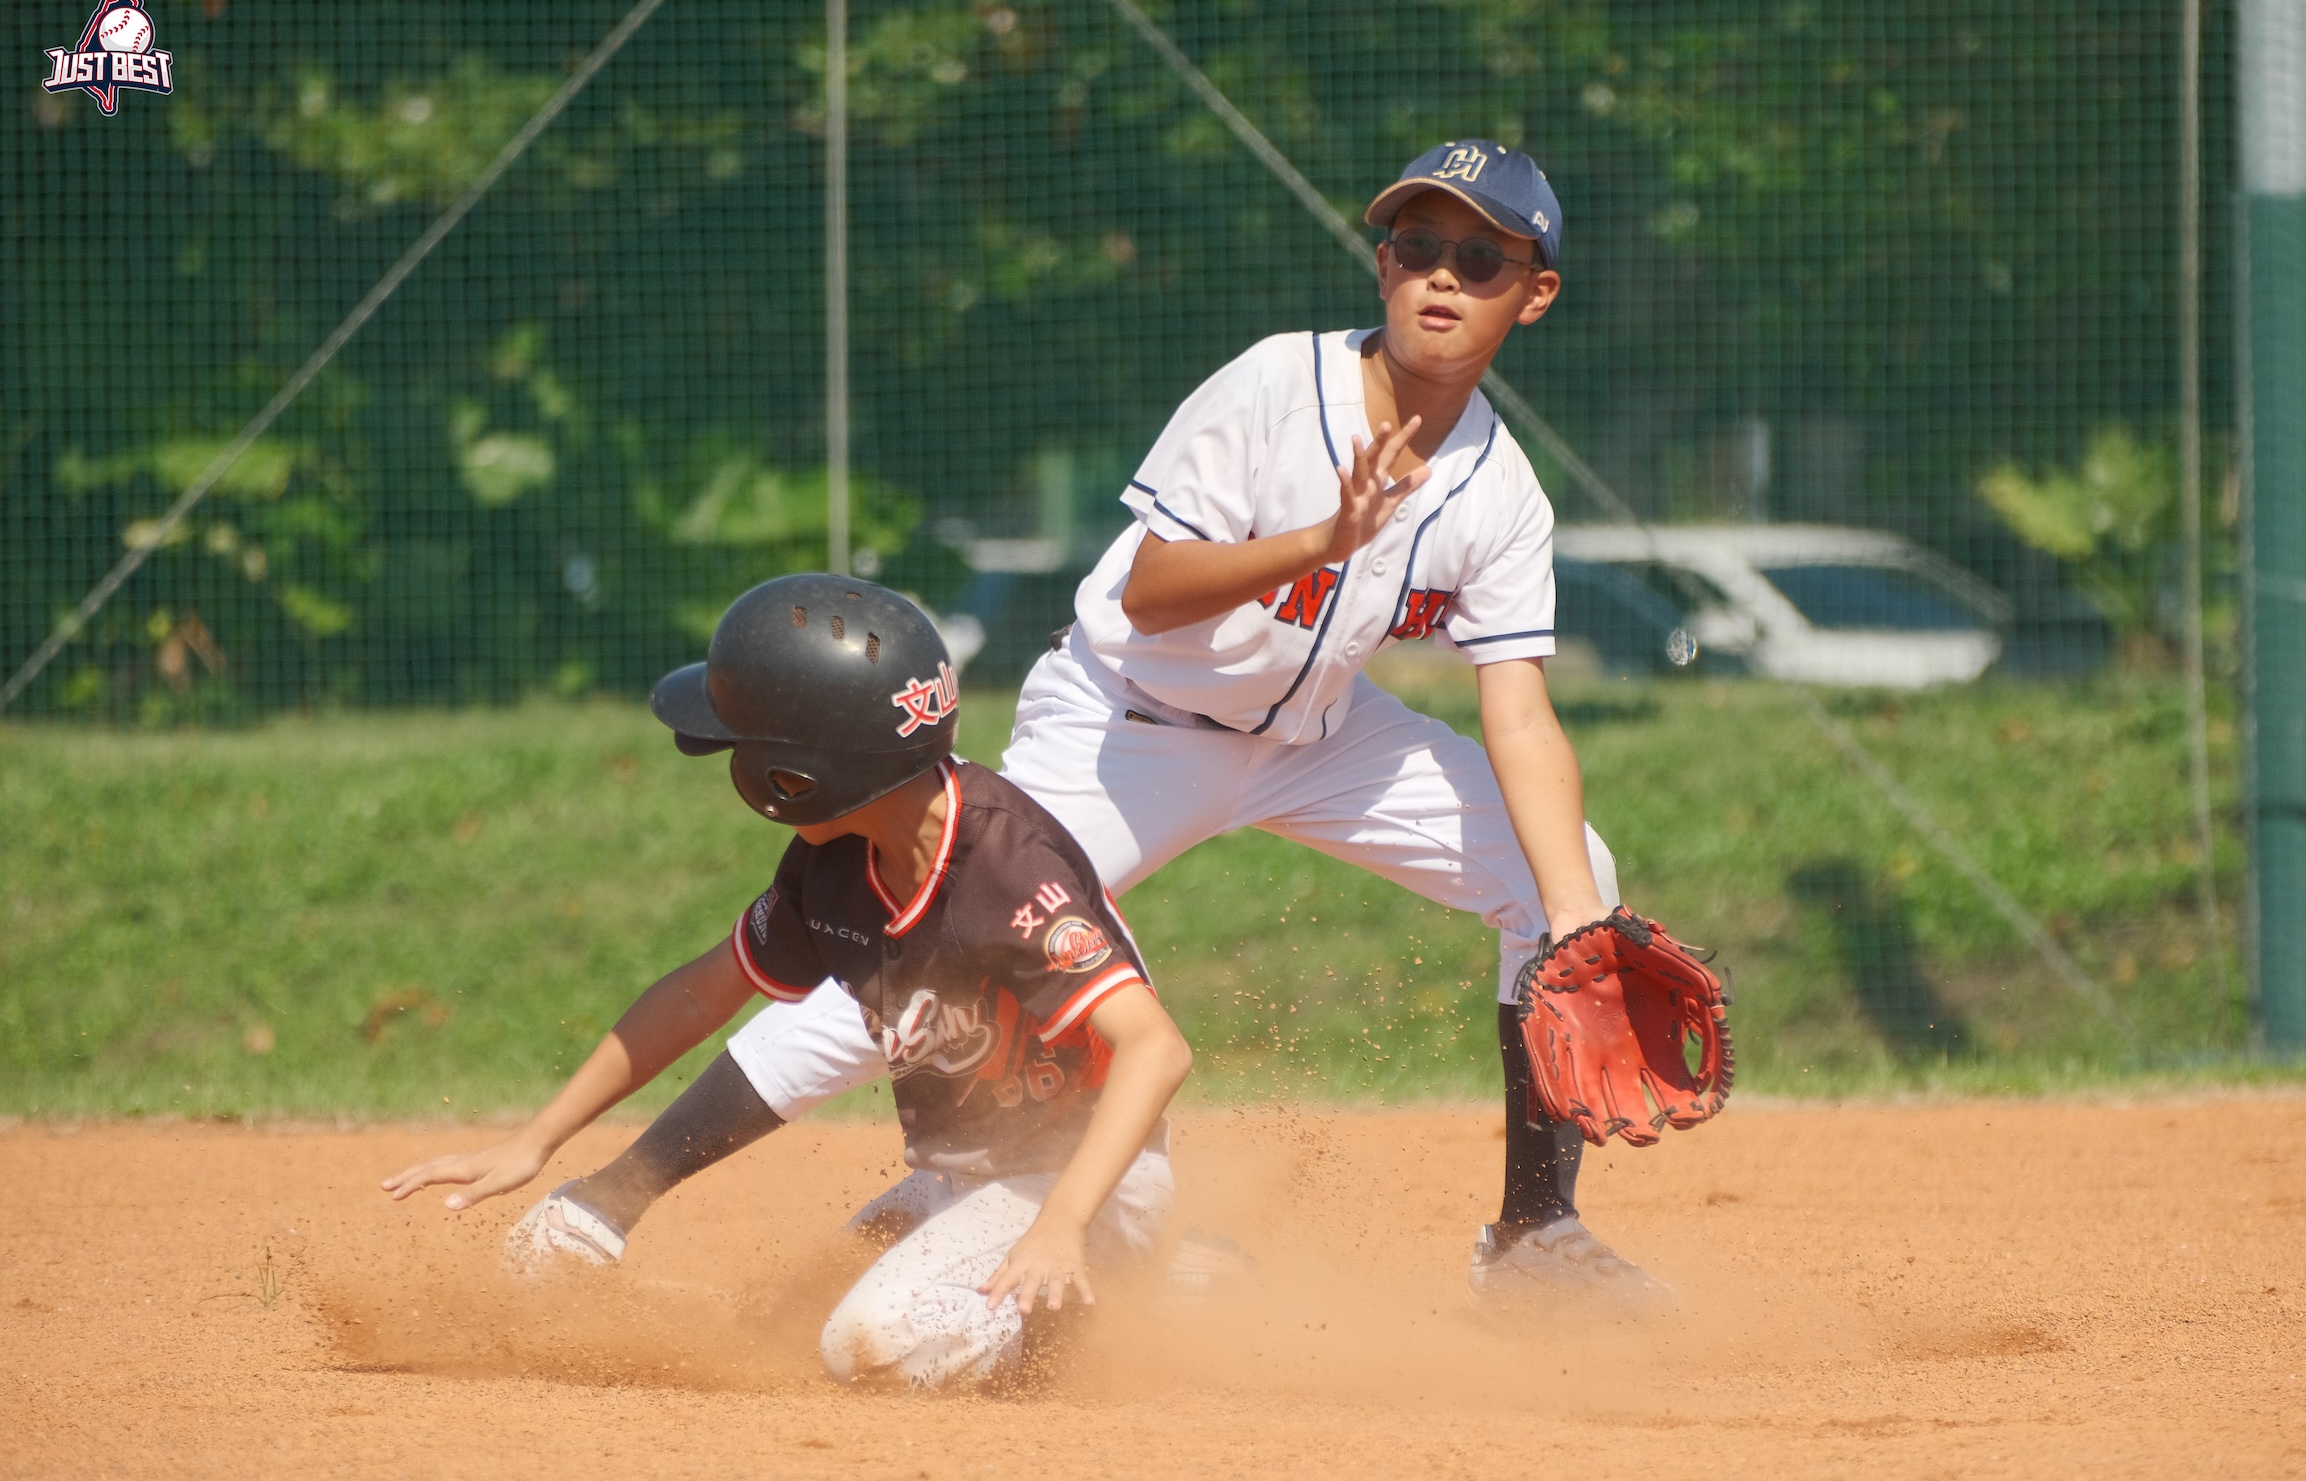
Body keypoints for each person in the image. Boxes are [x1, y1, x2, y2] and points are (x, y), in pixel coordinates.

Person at [501, 137, 1659, 1300]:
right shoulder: (1272, 387)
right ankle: (610, 1201)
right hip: (1126, 722)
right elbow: (1153, 590)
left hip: (1317, 736)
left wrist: (1569, 922)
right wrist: (1320, 542)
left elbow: (1517, 714)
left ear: (1534, 294)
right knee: (927, 951)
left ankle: (1531, 1233)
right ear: (1381, 265)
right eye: (1417, 246)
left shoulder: (1501, 490)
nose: (1441, 276)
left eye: (1479, 256)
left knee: (1574, 876)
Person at [382, 575, 1194, 1388]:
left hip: (1089, 1187)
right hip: (967, 1179)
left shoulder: (1006, 865)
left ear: (797, 775)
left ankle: (1103, 1309)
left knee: (872, 1343)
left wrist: (1060, 1223)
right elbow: (701, 992)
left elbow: (1156, 1050)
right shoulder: (835, 862)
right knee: (786, 1332)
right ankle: (1172, 1275)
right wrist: (537, 1139)